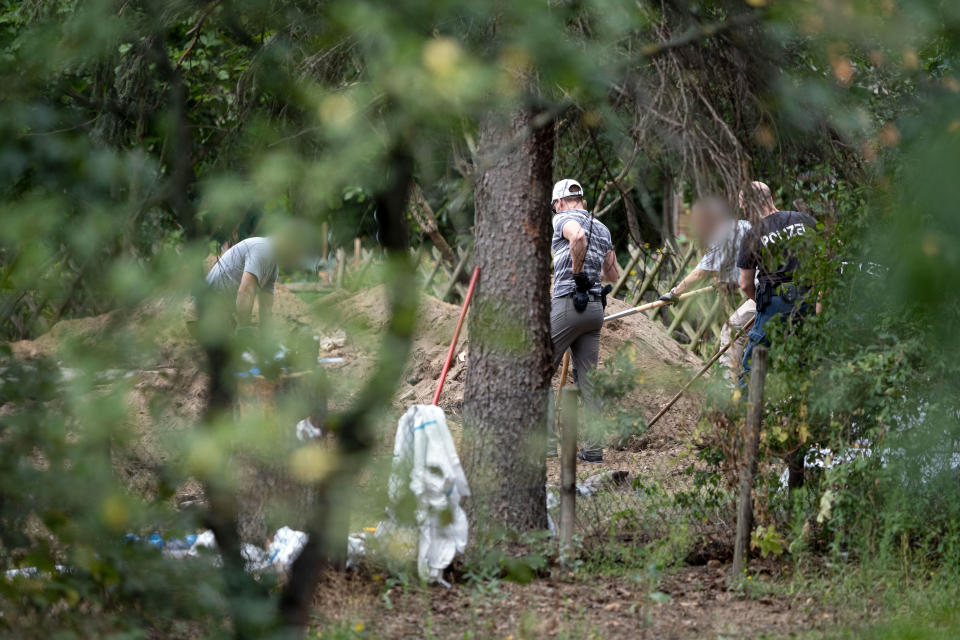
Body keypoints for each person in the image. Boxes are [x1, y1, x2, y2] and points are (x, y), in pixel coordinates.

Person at [549, 178, 621, 463]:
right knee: (588, 381)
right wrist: (591, 276)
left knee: (538, 368)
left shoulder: (562, 219)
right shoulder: (601, 227)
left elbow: (577, 237)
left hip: (569, 303)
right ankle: (593, 449)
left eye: (555, 205)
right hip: (594, 309)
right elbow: (613, 274)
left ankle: (544, 445)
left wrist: (578, 276)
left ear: (560, 202)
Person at [657, 196, 755, 381]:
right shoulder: (744, 225)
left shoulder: (723, 234)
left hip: (765, 293)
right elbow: (745, 263)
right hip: (776, 287)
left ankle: (728, 392)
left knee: (731, 331)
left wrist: (674, 293)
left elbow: (701, 272)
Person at [735, 181, 818, 385]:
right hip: (809, 302)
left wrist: (764, 304)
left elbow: (745, 284)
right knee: (803, 363)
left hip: (775, 303)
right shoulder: (805, 220)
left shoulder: (753, 235)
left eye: (745, 207)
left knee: (754, 365)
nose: (745, 212)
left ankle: (741, 414)